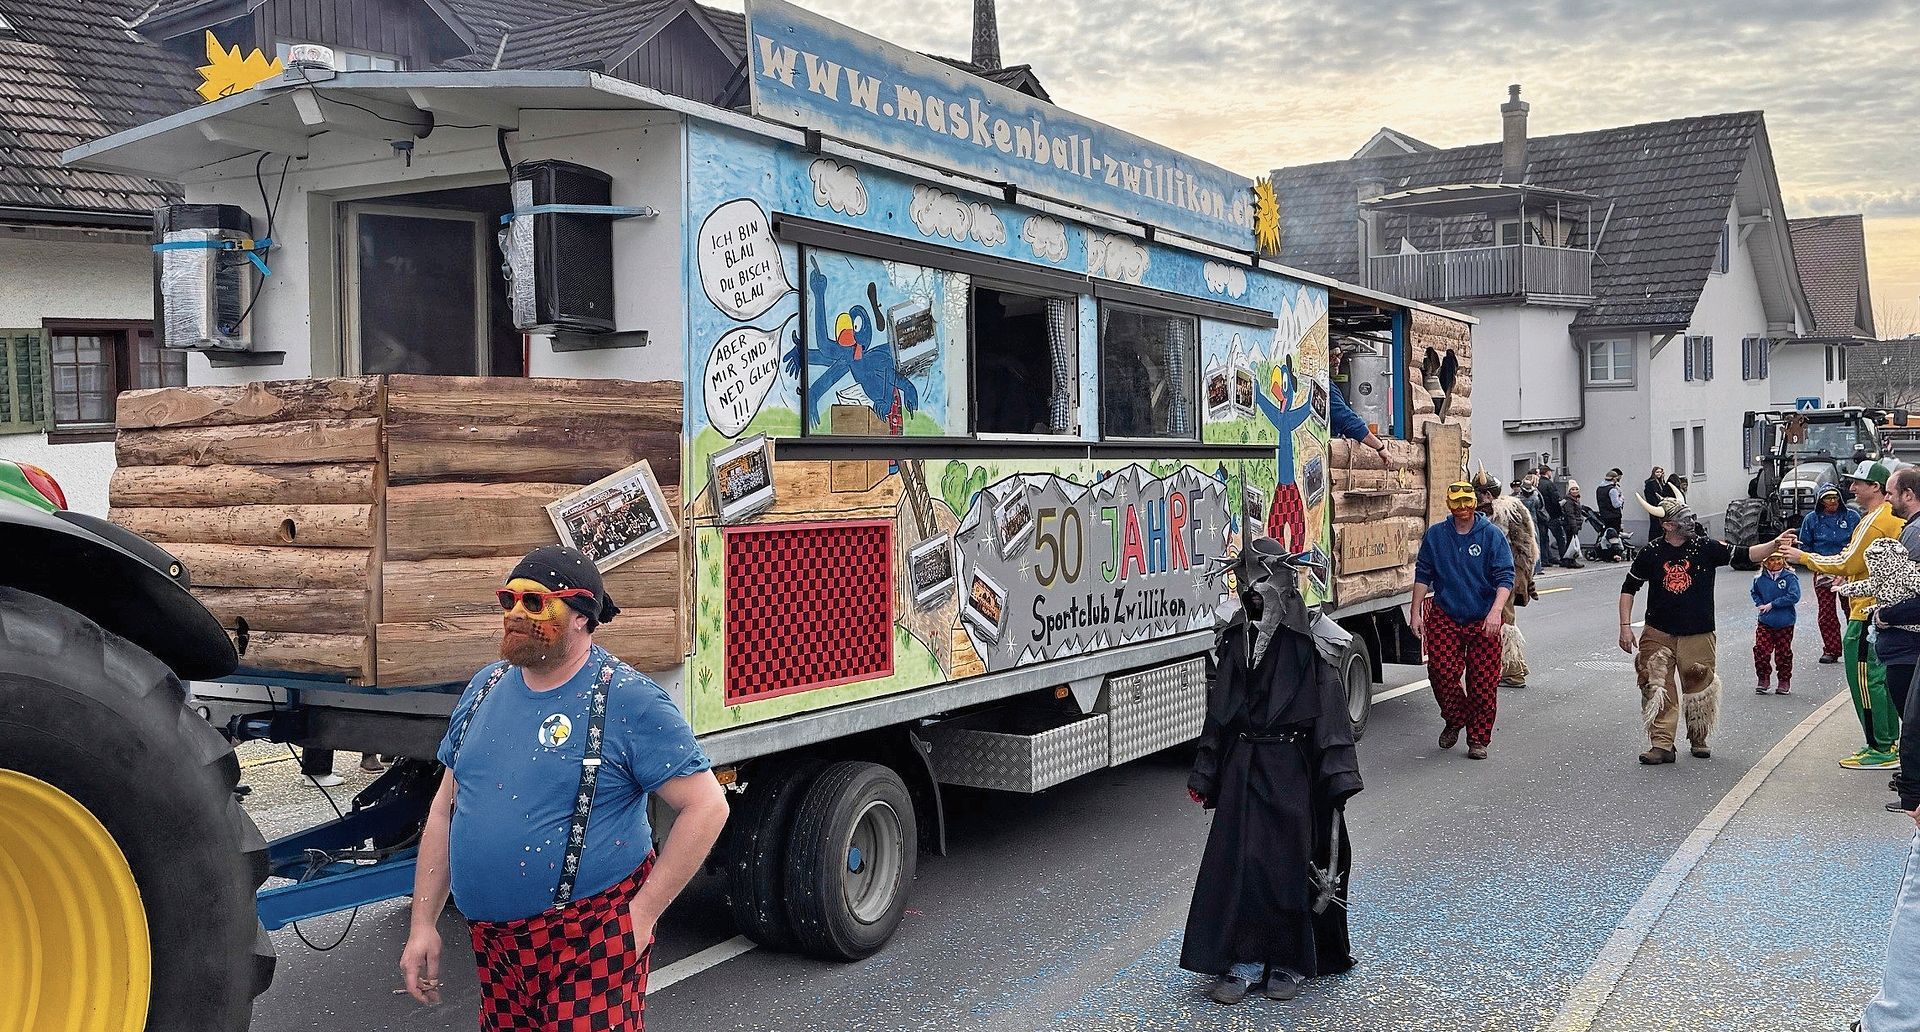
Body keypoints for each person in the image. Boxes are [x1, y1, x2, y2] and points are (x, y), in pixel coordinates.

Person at [399, 545, 729, 1029]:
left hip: (591, 935)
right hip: (495, 944)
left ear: (581, 617)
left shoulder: (628, 698)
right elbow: (446, 810)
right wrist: (422, 924)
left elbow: (707, 806)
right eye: (507, 599)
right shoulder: (484, 687)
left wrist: (641, 916)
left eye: (535, 603)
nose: (515, 613)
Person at [1184, 538, 1362, 1005]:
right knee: (1239, 865)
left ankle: (1287, 962)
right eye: (1244, 583)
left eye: (1260, 581)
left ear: (1282, 581)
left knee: (1285, 864)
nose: (1250, 592)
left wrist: (1337, 778)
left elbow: (1329, 711)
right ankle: (1240, 962)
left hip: (1290, 767)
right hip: (1244, 764)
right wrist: (1206, 772)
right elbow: (1219, 709)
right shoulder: (1235, 637)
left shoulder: (1313, 639)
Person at [1621, 496, 1795, 764]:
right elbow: (1629, 589)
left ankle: (1698, 736)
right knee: (1656, 686)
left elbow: (1747, 554)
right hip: (1658, 633)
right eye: (1684, 519)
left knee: (1698, 685)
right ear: (1668, 525)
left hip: (1698, 632)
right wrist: (1625, 627)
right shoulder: (1651, 553)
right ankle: (1662, 744)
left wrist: (1774, 544)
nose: (1692, 522)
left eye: (1691, 517)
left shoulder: (1705, 547)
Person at [1785, 460, 1909, 770]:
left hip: (1867, 612)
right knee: (1879, 679)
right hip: (1876, 606)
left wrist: (1805, 558)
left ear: (1876, 488)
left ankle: (1881, 747)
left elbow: (1848, 560)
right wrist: (1847, 575)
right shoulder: (1876, 517)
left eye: (1858, 483)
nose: (1851, 488)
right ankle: (1888, 742)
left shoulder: (1876, 520)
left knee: (1866, 681)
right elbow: (1860, 564)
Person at [1857, 468, 1920, 1027]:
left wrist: (1914, 784)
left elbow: (1904, 597)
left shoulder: (1904, 536)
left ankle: (1892, 1021)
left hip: (1903, 651)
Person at [1411, 481, 1515, 760]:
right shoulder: (1436, 536)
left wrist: (1495, 612)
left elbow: (1505, 576)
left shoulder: (1491, 536)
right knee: (1441, 672)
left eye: (1467, 503)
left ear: (1475, 503)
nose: (1462, 509)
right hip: (1447, 613)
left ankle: (1478, 739)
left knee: (1483, 684)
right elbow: (1423, 573)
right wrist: (1415, 611)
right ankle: (1455, 718)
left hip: (1484, 617)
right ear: (1448, 504)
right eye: (1456, 504)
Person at [1871, 467, 1920, 814]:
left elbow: (1913, 594)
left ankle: (1914, 799)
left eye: (1891, 492)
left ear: (1908, 494)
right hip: (1902, 645)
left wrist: (1887, 615)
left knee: (1914, 723)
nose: (1886, 498)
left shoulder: (1916, 534)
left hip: (1907, 646)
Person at [1472, 470, 1538, 690]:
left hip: (1504, 574)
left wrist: (1522, 575)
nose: (1477, 496)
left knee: (1505, 621)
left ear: (1488, 494)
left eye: (1480, 492)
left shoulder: (1508, 510)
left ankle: (1514, 670)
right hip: (1486, 575)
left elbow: (1524, 544)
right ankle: (1511, 666)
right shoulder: (1479, 512)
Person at [1800, 484, 1861, 664]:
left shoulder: (1852, 516)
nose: (1832, 501)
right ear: (1821, 501)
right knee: (1827, 612)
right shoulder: (1812, 519)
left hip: (1848, 568)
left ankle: (1856, 647)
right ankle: (1831, 649)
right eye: (1828, 498)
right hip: (1823, 569)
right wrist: (1815, 563)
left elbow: (1858, 542)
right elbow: (1805, 545)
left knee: (1852, 609)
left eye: (1835, 498)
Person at [1750, 551, 1800, 695]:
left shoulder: (1790, 577)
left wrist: (1773, 604)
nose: (1775, 563)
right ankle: (1763, 679)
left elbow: (1794, 596)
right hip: (1765, 621)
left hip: (1785, 622)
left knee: (1783, 653)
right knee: (1761, 650)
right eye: (1771, 560)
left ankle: (1784, 681)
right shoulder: (1759, 578)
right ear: (1765, 563)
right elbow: (1754, 592)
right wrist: (1759, 603)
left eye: (1778, 559)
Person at [1536, 466, 1572, 568]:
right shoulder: (1549, 484)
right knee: (1560, 538)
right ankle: (1564, 558)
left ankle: (1545, 559)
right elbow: (1555, 500)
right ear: (1547, 472)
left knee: (1543, 538)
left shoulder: (1538, 484)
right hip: (1552, 515)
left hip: (1541, 516)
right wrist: (1560, 509)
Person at [1519, 474, 1550, 576]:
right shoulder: (1536, 495)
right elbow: (1541, 508)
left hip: (1525, 523)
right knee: (1534, 545)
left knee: (1527, 546)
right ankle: (1536, 567)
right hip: (1530, 522)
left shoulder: (1519, 497)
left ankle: (1530, 567)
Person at [1643, 466, 1679, 544]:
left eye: (1660, 472)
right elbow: (1650, 496)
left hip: (1662, 507)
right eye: (1657, 472)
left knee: (1661, 526)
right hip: (1655, 507)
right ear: (1653, 473)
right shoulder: (1650, 483)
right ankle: (1653, 541)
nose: (1659, 474)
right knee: (1655, 525)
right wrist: (1656, 505)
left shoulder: (1662, 482)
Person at [1558, 480, 1588, 569]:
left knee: (1571, 543)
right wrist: (1574, 526)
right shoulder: (1569, 501)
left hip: (1574, 524)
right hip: (1570, 525)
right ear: (1569, 491)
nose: (1574, 491)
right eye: (1572, 489)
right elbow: (1570, 514)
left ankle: (1569, 560)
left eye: (1576, 489)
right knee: (1571, 544)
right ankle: (1571, 561)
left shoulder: (1575, 499)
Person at [1598, 468, 1627, 542]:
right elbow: (1616, 505)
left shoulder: (1599, 488)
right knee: (1614, 537)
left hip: (1604, 515)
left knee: (1607, 536)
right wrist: (1621, 499)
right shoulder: (1612, 490)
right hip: (1614, 517)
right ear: (1614, 479)